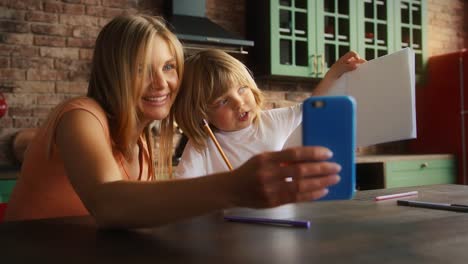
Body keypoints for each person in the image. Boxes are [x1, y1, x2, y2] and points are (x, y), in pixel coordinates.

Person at [4, 14, 342, 228]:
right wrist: (234, 187)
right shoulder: (82, 114)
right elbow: (108, 204)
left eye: (168, 67)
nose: (161, 83)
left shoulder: (144, 143)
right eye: (140, 69)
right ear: (114, 74)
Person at [174, 49, 364, 178]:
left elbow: (311, 107)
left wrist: (333, 73)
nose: (239, 103)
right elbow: (182, 189)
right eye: (223, 101)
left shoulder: (273, 121)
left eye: (242, 89)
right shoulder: (202, 144)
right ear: (203, 114)